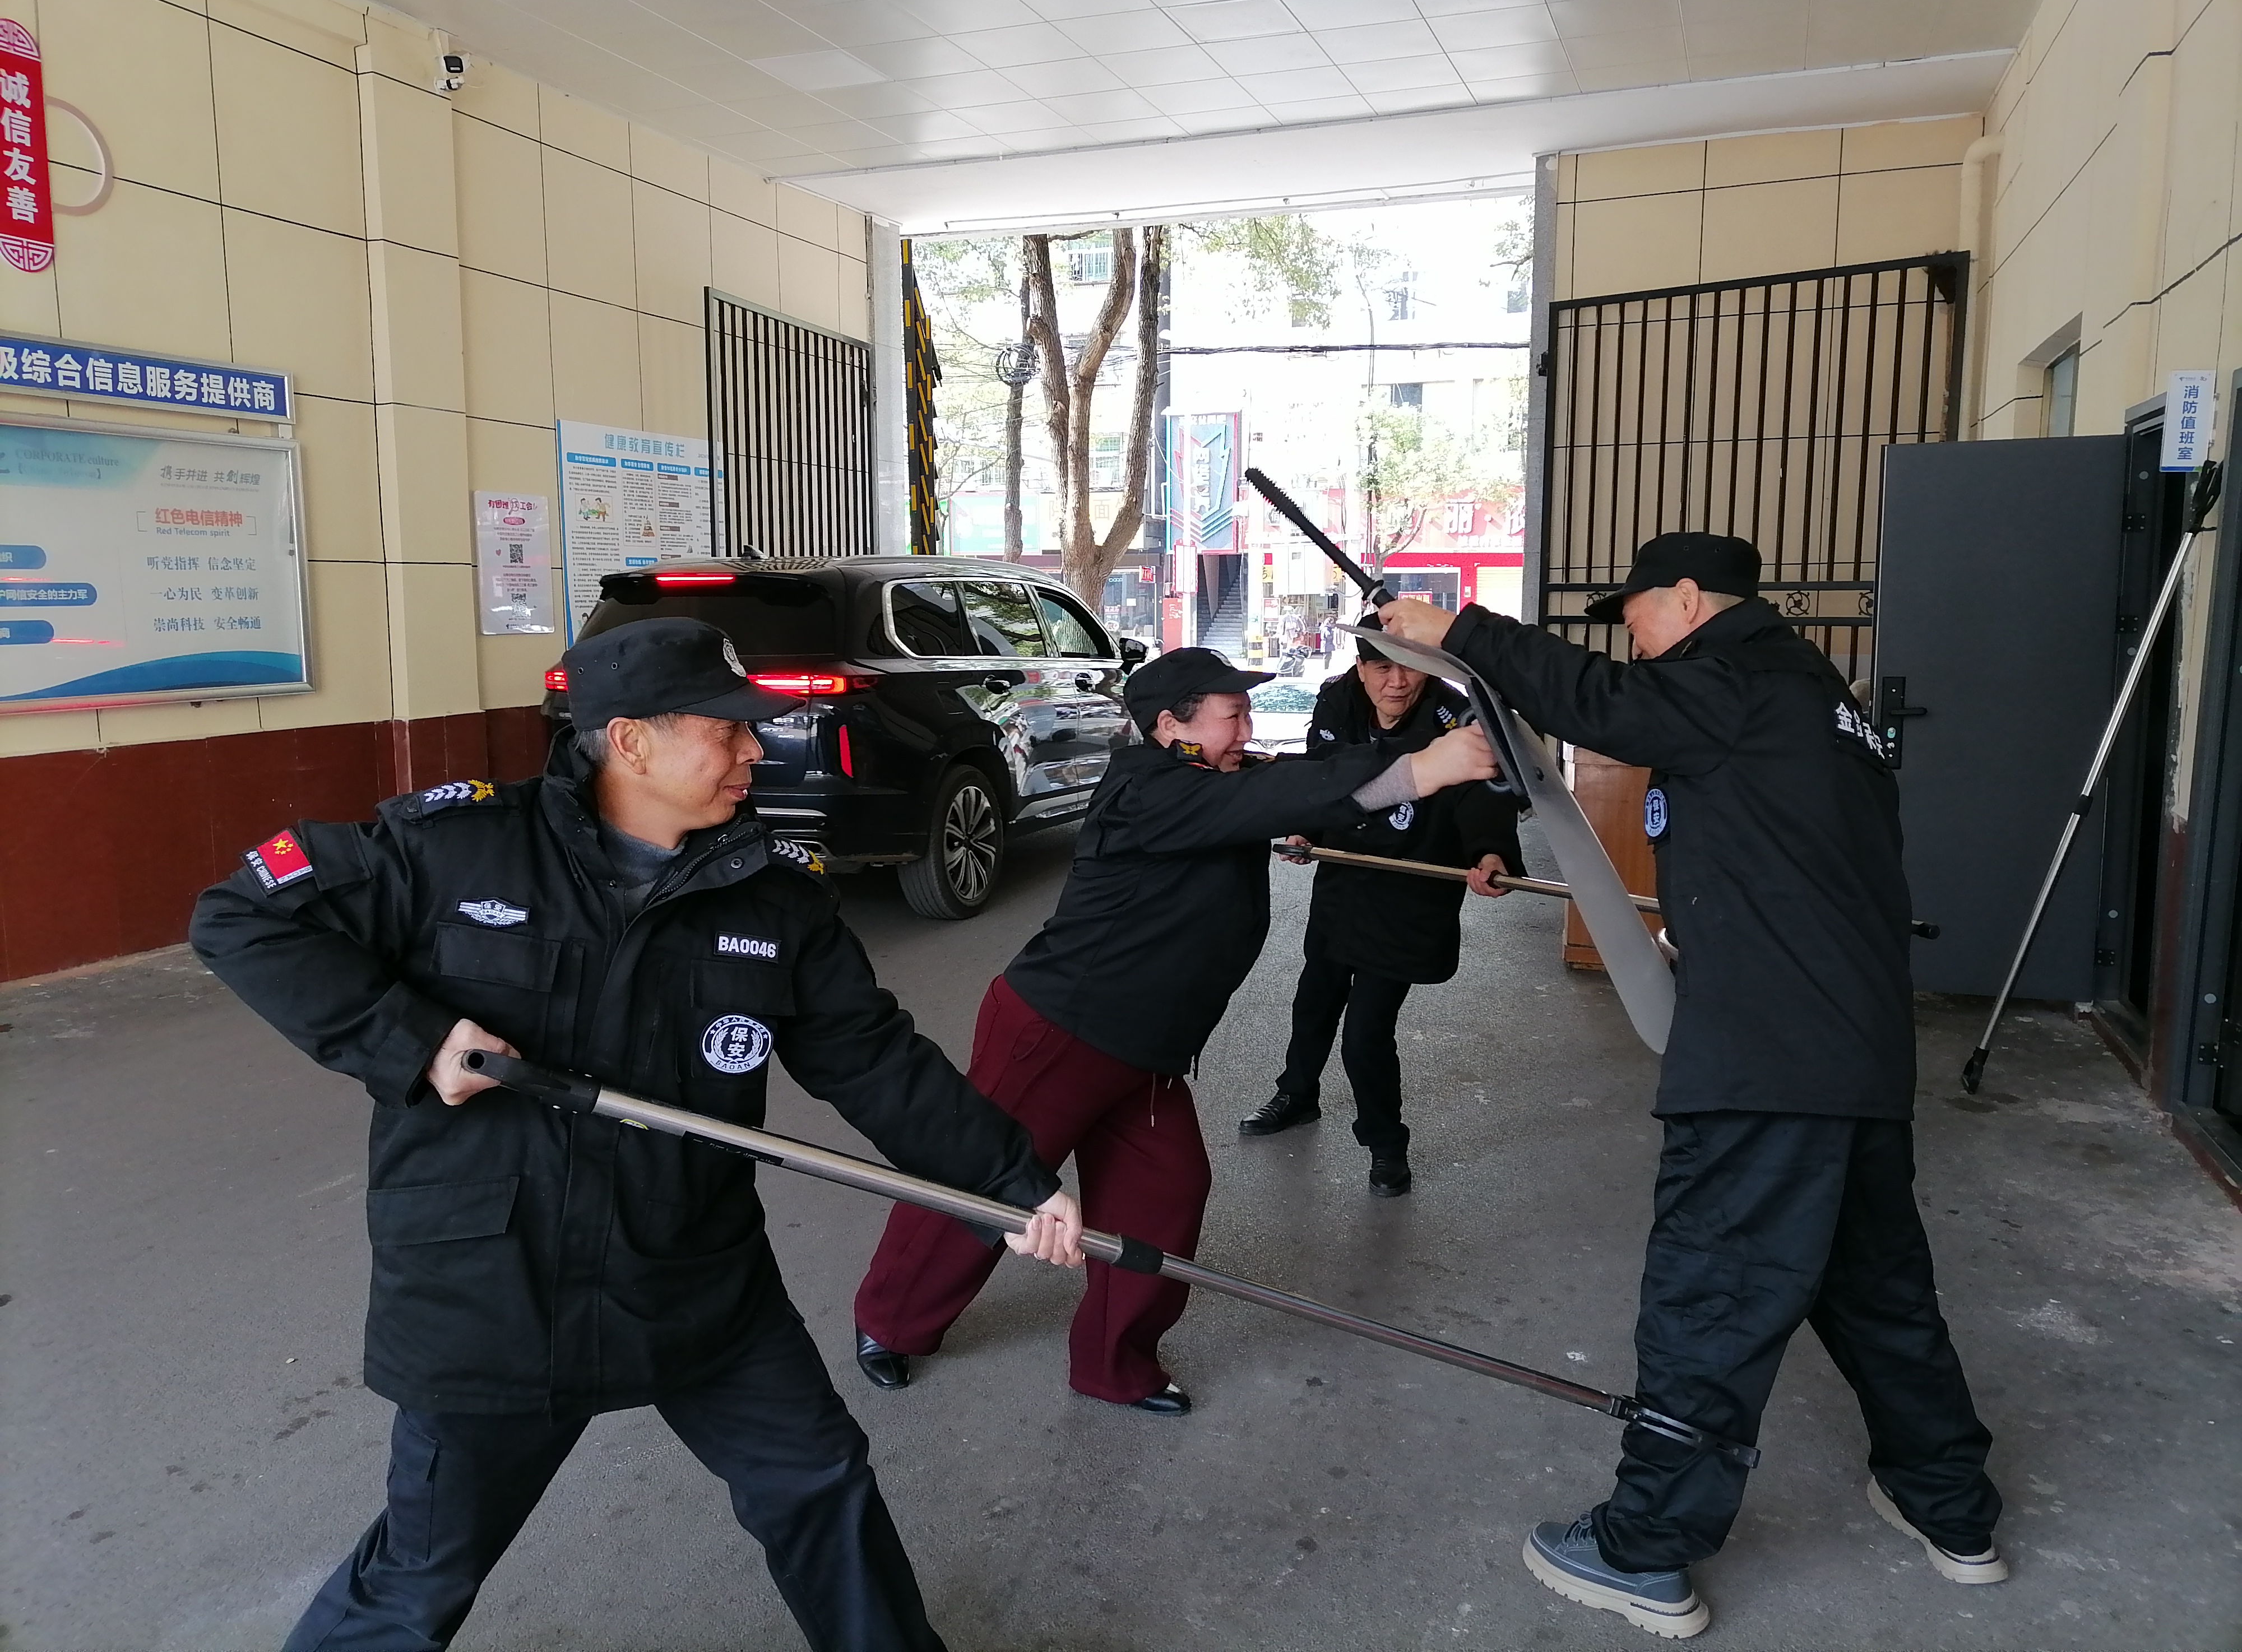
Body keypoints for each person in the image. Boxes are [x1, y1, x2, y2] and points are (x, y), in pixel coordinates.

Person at [190, 617, 1085, 1652]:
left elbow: (874, 1061)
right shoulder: (457, 848)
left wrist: (1009, 1183)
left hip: (692, 1268)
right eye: (727, 729)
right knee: (422, 1573)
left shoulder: (775, 895)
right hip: (492, 1285)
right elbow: (242, 915)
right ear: (630, 741)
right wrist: (414, 1039)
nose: (754, 749)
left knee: (817, 1483)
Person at [1379, 533, 2003, 1639]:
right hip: (1849, 1050)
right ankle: (1947, 1504)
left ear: (1684, 598)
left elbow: (1599, 702)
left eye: (1634, 611)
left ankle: (1644, 1548)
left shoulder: (1735, 678)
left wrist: (1456, 630)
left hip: (1767, 1063)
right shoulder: (1814, 698)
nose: (1628, 633)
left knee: (1711, 1296)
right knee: (1876, 1292)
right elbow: (1796, 860)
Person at [851, 647, 1497, 1413]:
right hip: (1061, 1031)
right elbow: (1278, 796)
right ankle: (890, 1319)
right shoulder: (1147, 789)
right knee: (983, 1182)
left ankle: (1111, 1363)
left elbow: (1289, 786)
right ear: (1170, 725)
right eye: (1234, 714)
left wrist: (1430, 764)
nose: (1247, 730)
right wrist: (1422, 768)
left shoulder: (1211, 780)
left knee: (1164, 1195)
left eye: (1248, 714)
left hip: (1148, 1047)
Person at [1241, 616, 1526, 1196]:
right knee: (1314, 998)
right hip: (1345, 877)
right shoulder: (1338, 701)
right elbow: (1323, 777)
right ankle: (1298, 1093)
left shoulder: (1456, 716)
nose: (1397, 682)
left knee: (1365, 1033)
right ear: (1359, 668)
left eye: (1409, 667)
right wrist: (1304, 827)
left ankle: (1386, 1145)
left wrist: (1490, 851)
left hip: (1410, 889)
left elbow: (1481, 793)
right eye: (1381, 668)